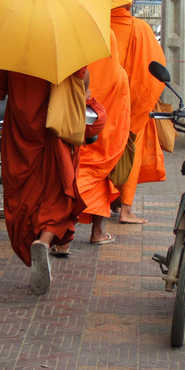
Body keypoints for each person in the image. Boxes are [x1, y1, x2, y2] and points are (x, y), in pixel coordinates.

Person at [0, 69, 87, 296]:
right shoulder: (61, 42)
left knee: (23, 196)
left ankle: (38, 250)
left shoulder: (9, 45)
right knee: (58, 194)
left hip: (19, 131)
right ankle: (44, 241)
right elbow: (81, 76)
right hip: (52, 126)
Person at [59, 31, 130, 250]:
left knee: (70, 181)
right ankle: (97, 233)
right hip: (104, 138)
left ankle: (60, 234)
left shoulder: (78, 67)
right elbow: (123, 114)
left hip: (77, 134)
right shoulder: (119, 75)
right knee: (101, 180)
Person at [110, 4, 166, 224]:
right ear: (128, 4)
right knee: (130, 152)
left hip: (103, 101)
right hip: (133, 104)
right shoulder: (140, 27)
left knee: (104, 153)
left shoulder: (98, 25)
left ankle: (109, 200)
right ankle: (125, 208)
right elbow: (156, 67)